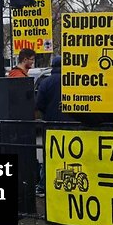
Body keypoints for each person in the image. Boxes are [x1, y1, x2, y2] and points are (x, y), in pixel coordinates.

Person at [35, 56, 74, 197]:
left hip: (51, 124)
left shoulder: (46, 83)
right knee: (70, 155)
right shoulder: (73, 80)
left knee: (49, 155)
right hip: (71, 123)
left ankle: (44, 185)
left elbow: (39, 104)